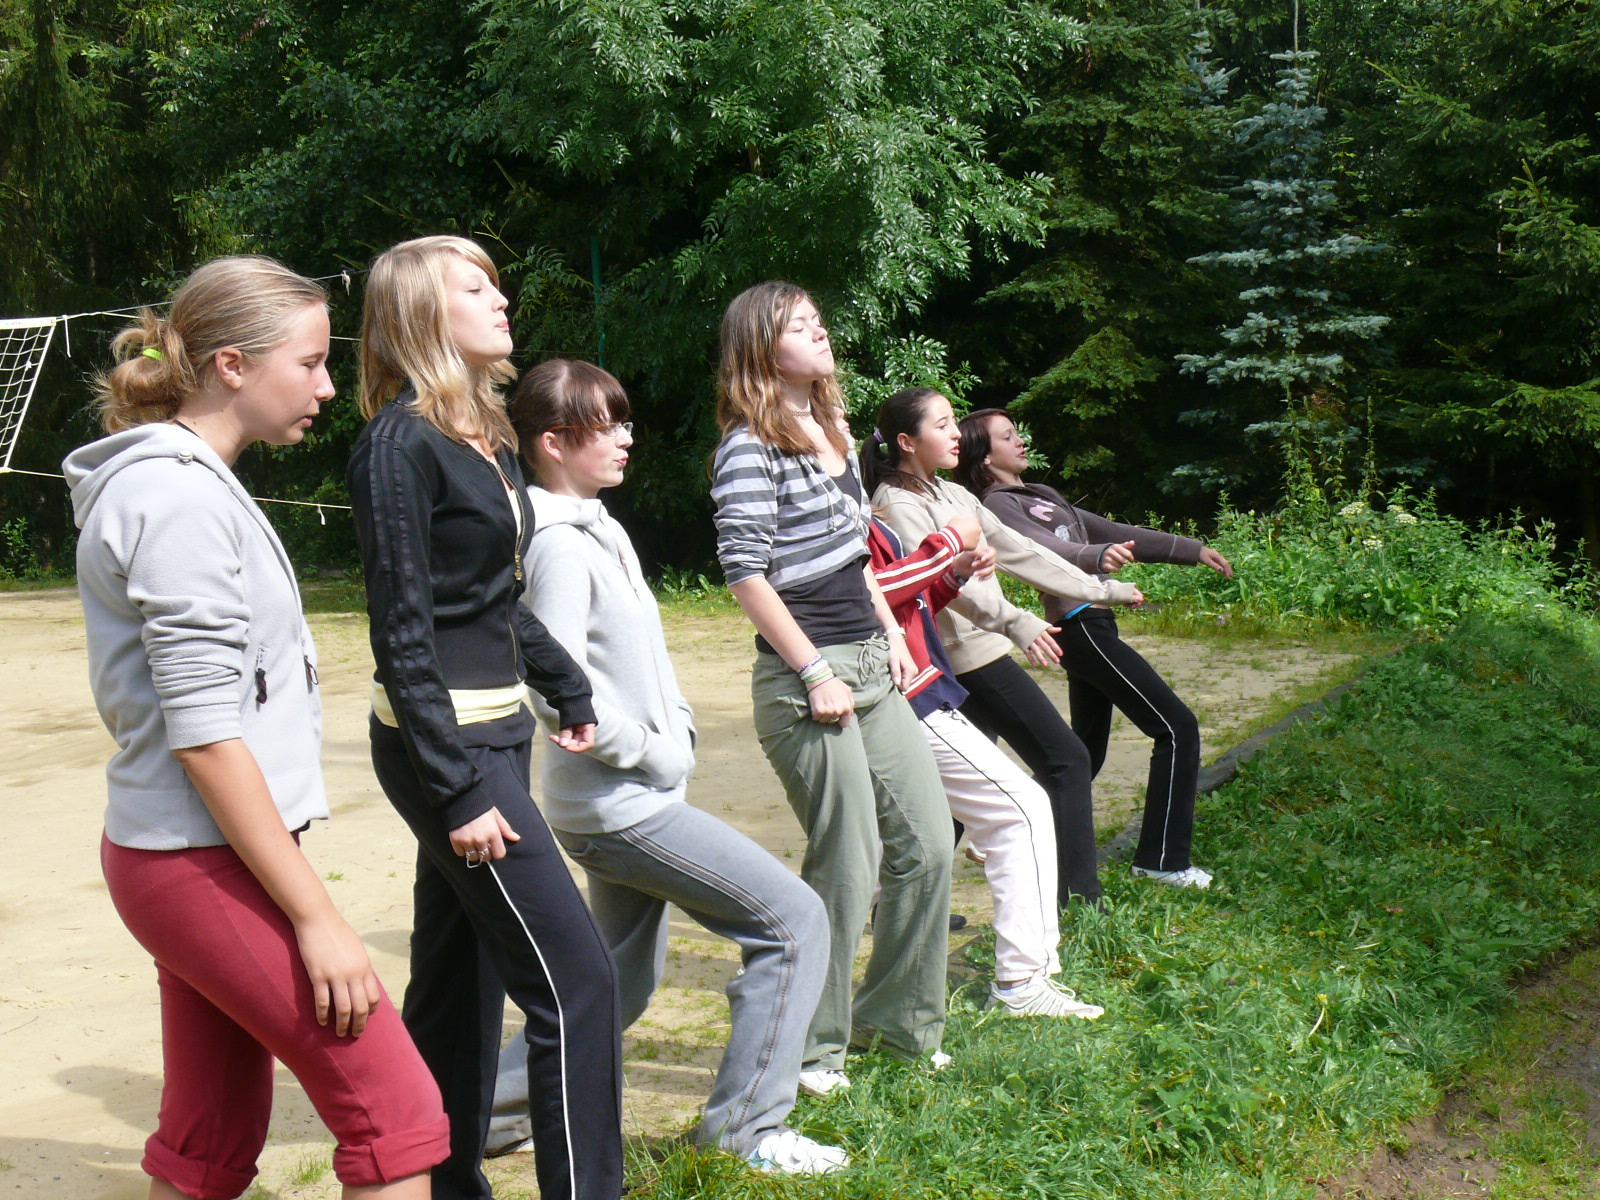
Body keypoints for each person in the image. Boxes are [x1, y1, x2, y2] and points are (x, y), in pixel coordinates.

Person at [66, 256, 449, 1200]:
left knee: (209, 1138)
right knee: (397, 1116)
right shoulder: (177, 499)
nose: (328, 387)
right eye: (311, 363)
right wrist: (319, 918)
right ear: (231, 366)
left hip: (196, 852)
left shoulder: (192, 484)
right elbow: (204, 736)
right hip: (199, 861)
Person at [482, 359, 846, 1174]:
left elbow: (632, 660)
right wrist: (650, 749)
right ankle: (748, 1132)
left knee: (613, 983)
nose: (625, 438)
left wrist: (674, 725)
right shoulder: (558, 547)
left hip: (630, 796)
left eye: (624, 421)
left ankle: (479, 1121)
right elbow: (551, 685)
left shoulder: (600, 526)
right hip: (620, 807)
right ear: (553, 442)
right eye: (605, 426)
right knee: (793, 922)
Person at [347, 236, 622, 1200]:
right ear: (424, 315)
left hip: (501, 731)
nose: (501, 301)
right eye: (476, 288)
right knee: (576, 980)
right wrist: (457, 786)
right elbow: (403, 630)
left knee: (458, 985)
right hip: (450, 752)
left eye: (497, 286)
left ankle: (444, 1186)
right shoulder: (397, 447)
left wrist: (565, 684)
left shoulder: (488, 435)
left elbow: (491, 597)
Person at [710, 281, 953, 1098]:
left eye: (819, 321)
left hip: (871, 663)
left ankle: (900, 1026)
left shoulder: (835, 432)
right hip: (806, 681)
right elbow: (745, 573)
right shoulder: (749, 447)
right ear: (760, 347)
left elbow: (854, 557)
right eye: (798, 325)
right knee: (848, 864)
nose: (819, 332)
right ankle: (810, 1051)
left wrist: (890, 632)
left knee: (929, 843)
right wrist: (814, 670)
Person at [863, 387, 1142, 910]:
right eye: (942, 425)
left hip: (978, 650)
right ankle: (1080, 902)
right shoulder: (896, 505)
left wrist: (1100, 590)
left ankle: (897, 902)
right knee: (1066, 760)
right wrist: (1017, 622)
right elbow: (942, 584)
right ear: (906, 441)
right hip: (962, 657)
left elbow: (1023, 552)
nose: (955, 435)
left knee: (952, 794)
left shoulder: (952, 494)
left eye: (954, 422)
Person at [956, 409, 1233, 889]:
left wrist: (1189, 550)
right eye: (1008, 436)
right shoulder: (997, 504)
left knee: (1083, 752)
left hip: (1095, 624)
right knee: (1176, 727)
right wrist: (1095, 558)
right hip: (1079, 627)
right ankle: (1162, 861)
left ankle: (1007, 830)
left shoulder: (1040, 494)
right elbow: (1041, 550)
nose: (1020, 441)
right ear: (984, 457)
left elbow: (1106, 528)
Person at [867, 512, 1106, 1020]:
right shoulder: (848, 509)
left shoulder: (855, 510)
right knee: (1019, 811)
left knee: (909, 836)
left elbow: (903, 606)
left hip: (915, 687)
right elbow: (863, 596)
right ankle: (1021, 979)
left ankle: (1013, 977)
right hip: (902, 693)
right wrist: (949, 544)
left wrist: (952, 574)